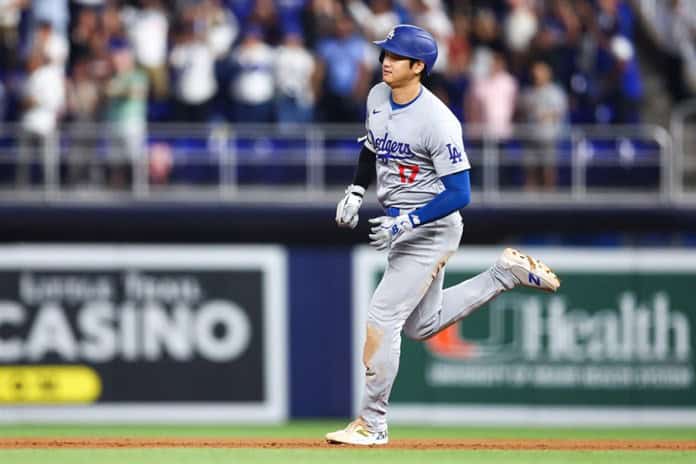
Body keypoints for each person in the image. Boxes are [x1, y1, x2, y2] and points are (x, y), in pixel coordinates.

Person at [326, 25, 561, 446]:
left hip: (431, 227)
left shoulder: (438, 120)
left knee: (383, 317)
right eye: (385, 54)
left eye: (397, 57)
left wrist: (406, 221)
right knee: (421, 325)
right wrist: (356, 190)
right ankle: (502, 275)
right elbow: (371, 146)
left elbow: (461, 193)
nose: (386, 61)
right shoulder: (377, 97)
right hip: (404, 225)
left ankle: (372, 423)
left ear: (419, 67)